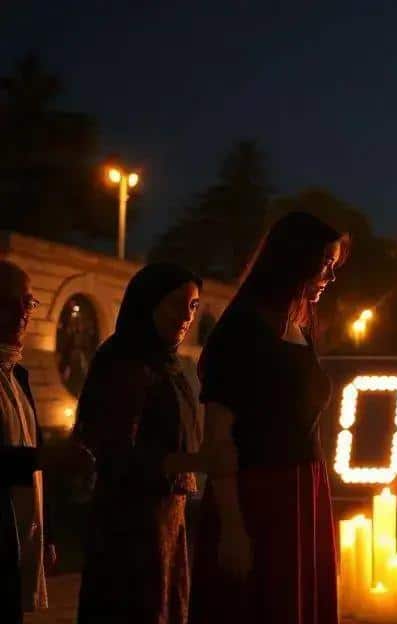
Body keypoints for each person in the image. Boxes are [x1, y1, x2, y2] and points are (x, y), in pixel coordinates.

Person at [189, 212, 348, 624]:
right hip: (257, 494)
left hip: (304, 489)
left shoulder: (301, 328)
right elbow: (219, 438)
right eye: (325, 263)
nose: (330, 276)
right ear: (297, 259)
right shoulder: (241, 330)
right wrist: (232, 526)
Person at [73, 263, 205, 623]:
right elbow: (113, 452)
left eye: (194, 306)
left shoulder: (170, 365)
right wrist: (192, 463)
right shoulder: (123, 362)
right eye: (178, 303)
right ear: (150, 303)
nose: (186, 316)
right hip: (128, 529)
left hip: (167, 521)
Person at [0, 261, 54, 622]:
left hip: (19, 538)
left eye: (29, 302)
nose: (24, 313)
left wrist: (44, 534)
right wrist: (46, 459)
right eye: (10, 302)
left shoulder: (17, 375)